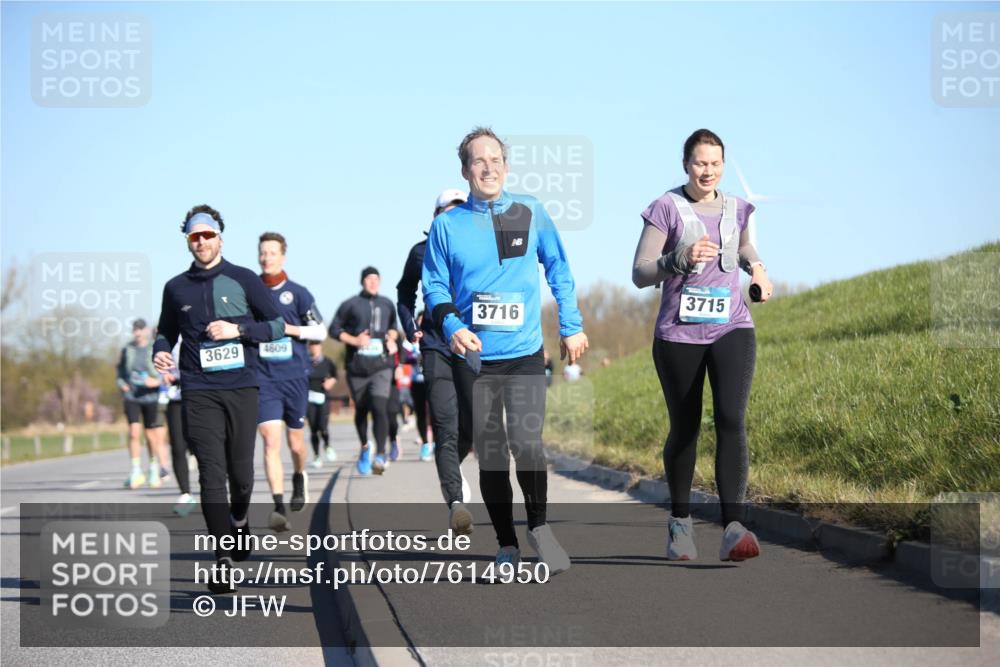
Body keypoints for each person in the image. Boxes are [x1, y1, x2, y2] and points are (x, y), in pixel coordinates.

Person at [423, 127, 589, 573]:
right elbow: (434, 287)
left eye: (495, 159)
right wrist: (453, 325)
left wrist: (570, 326)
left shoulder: (528, 211)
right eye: (479, 161)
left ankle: (539, 528)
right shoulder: (446, 226)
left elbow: (558, 267)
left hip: (523, 352)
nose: (488, 167)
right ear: (465, 170)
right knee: (492, 451)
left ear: (507, 165)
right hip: (473, 358)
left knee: (527, 444)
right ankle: (506, 545)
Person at [631, 128, 774, 562]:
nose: (707, 170)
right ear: (686, 165)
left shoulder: (737, 207)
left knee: (731, 418)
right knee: (687, 426)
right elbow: (640, 272)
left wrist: (759, 270)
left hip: (732, 327)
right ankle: (680, 523)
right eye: (699, 163)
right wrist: (679, 259)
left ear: (723, 165)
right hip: (679, 334)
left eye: (714, 163)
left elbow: (745, 244)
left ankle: (734, 526)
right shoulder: (665, 209)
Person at [153, 204, 285, 594]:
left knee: (241, 476)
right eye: (195, 237)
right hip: (197, 389)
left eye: (207, 235)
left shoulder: (243, 279)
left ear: (219, 238)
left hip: (242, 387)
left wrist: (236, 330)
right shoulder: (176, 288)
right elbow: (166, 332)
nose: (202, 242)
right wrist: (160, 350)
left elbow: (276, 326)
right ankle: (222, 560)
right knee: (211, 473)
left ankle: (240, 519)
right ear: (188, 242)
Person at [397, 189, 474, 534]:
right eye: (446, 211)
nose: (452, 216)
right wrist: (409, 325)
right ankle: (455, 501)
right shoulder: (420, 252)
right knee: (445, 425)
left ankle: (451, 472)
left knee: (469, 429)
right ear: (435, 215)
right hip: (435, 346)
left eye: (460, 210)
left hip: (474, 344)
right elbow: (404, 292)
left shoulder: (478, 248)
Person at [256, 232, 327, 531]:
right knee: (270, 441)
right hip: (263, 379)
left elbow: (320, 332)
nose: (266, 257)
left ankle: (299, 475)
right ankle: (278, 505)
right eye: (262, 253)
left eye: (272, 252)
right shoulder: (250, 292)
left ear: (282, 256)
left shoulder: (298, 293)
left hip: (294, 378)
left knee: (295, 444)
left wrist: (291, 330)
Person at [329, 267, 399, 475]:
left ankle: (380, 453)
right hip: (357, 367)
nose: (373, 282)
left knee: (379, 406)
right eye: (369, 279)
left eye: (376, 279)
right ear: (362, 281)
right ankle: (365, 447)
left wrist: (392, 338)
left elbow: (393, 326)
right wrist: (354, 340)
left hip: (382, 366)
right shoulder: (350, 304)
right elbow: (334, 330)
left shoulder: (387, 303)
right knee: (362, 410)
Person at [117, 318, 168, 489]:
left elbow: (165, 370)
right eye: (134, 329)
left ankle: (153, 468)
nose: (137, 332)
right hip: (132, 396)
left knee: (150, 435)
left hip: (150, 397)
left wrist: (157, 381)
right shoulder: (127, 349)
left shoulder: (154, 347)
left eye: (140, 329)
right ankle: (136, 470)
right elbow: (120, 370)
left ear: (145, 330)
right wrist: (122, 383)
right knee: (133, 432)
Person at [162, 339, 197, 516]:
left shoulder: (199, 327)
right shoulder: (169, 336)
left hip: (201, 395)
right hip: (176, 397)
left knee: (203, 444)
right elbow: (161, 362)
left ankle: (215, 491)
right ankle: (185, 494)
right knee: (177, 446)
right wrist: (165, 373)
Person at [306, 340, 338, 468]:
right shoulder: (304, 362)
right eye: (312, 344)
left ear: (320, 346)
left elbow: (335, 375)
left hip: (323, 398)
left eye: (316, 344)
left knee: (323, 427)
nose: (314, 347)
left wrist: (331, 381)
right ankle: (316, 456)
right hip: (308, 399)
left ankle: (327, 445)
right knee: (313, 428)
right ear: (309, 346)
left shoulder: (327, 362)